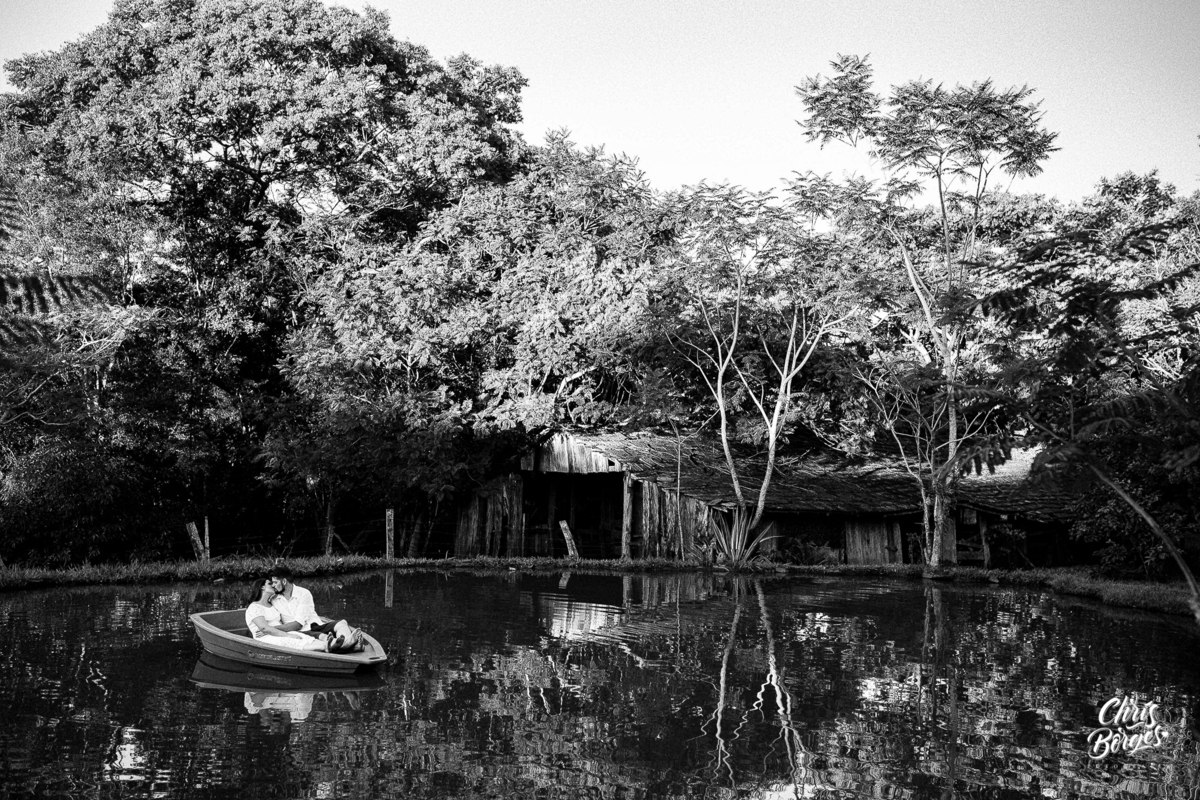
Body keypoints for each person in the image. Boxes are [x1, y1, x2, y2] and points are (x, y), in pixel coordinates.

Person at [267, 566, 365, 653]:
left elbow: (298, 623)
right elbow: (297, 627)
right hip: (300, 632)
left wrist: (271, 629)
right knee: (320, 635)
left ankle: (347, 643)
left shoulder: (304, 593)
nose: (273, 585)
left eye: (275, 582)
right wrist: (270, 629)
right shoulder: (274, 599)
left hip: (314, 625)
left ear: (284, 581)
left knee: (342, 623)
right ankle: (350, 646)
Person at [244, 577, 335, 652]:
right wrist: (287, 635)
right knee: (291, 640)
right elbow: (264, 628)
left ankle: (330, 644)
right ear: (262, 587)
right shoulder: (254, 607)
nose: (273, 585)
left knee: (303, 637)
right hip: (266, 636)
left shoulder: (272, 604)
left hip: (280, 632)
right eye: (270, 583)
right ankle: (325, 647)